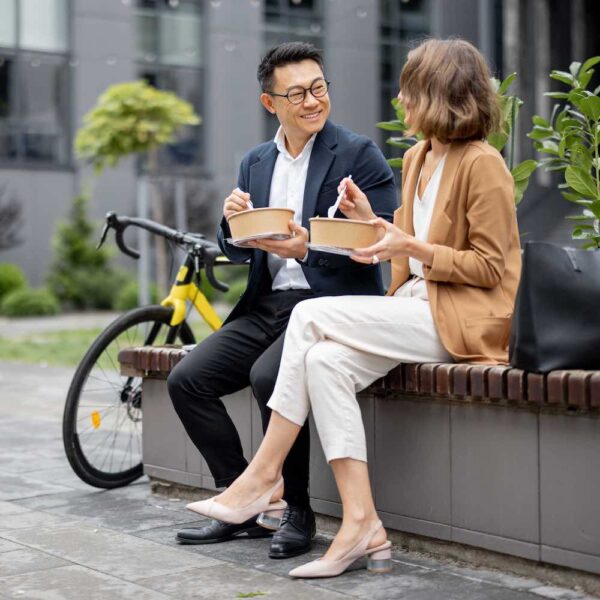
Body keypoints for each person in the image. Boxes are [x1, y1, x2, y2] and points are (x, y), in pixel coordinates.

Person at [185, 37, 522, 579]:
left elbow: (492, 270)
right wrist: (373, 223)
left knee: (309, 317)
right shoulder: (418, 158)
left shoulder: (483, 164)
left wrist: (408, 246)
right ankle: (362, 522)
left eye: (408, 89)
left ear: (437, 94)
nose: (399, 99)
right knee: (323, 363)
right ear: (271, 102)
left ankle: (262, 476)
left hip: (464, 319)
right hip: (414, 306)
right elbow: (399, 254)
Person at [168, 41, 397, 558]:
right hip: (268, 303)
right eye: (297, 93)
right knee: (188, 380)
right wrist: (230, 225)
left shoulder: (358, 154)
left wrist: (309, 247)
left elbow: (378, 241)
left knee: (269, 376)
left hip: (331, 303)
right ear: (269, 102)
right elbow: (243, 244)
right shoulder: (255, 162)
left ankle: (298, 509)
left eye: (318, 88)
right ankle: (245, 500)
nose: (312, 101)